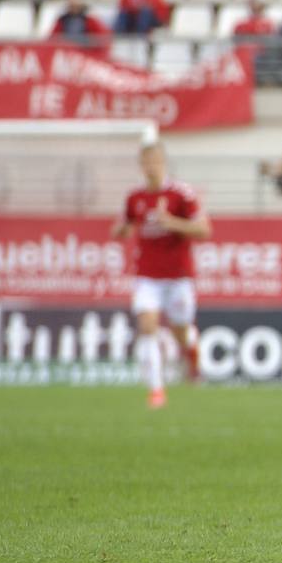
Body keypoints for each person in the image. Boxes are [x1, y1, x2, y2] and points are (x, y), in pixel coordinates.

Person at [111, 141, 211, 409]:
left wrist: (172, 223)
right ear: (141, 166)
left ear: (163, 163)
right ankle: (156, 390)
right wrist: (120, 230)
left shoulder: (182, 194)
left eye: (155, 161)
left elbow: (204, 230)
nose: (151, 167)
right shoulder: (135, 198)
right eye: (146, 162)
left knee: (180, 330)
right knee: (147, 327)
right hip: (147, 276)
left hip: (178, 277)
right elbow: (124, 225)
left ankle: (190, 352)